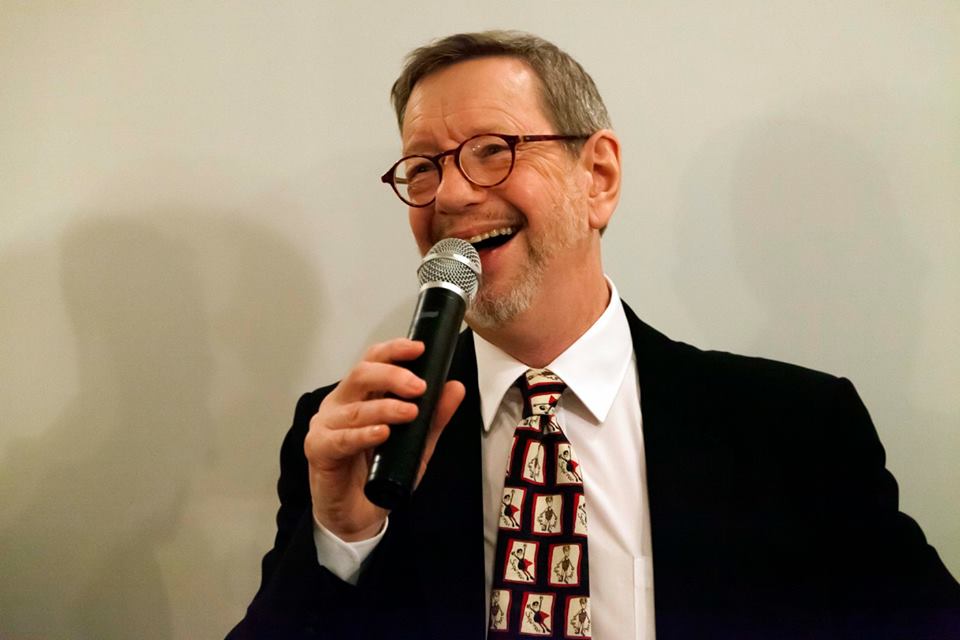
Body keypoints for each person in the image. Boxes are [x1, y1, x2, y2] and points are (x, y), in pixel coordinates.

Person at [229, 31, 959, 639]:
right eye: (422, 168)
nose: (449, 194)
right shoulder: (361, 443)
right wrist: (343, 537)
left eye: (491, 149)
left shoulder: (797, 430)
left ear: (598, 177)